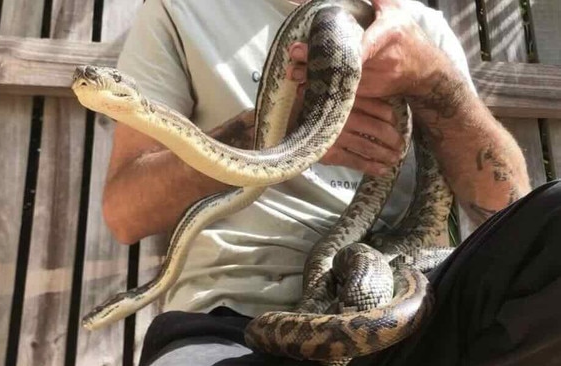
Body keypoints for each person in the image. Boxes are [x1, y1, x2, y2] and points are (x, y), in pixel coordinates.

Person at [103, 0, 561, 364]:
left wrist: (433, 79)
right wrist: (272, 126)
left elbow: (508, 212)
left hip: (417, 295)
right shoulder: (181, 10)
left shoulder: (420, 28)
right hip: (234, 322)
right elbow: (125, 213)